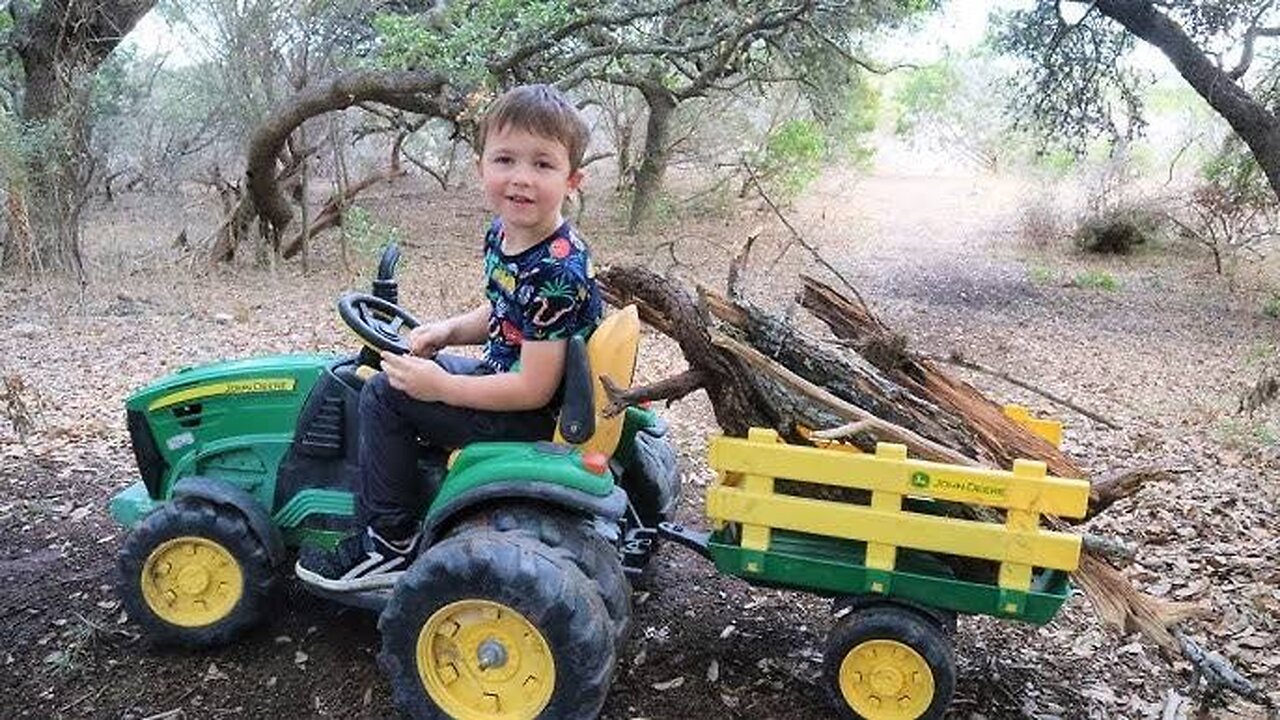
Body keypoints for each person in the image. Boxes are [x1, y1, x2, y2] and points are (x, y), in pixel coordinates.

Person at [296, 84, 603, 592]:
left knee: (382, 394)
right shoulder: (506, 236)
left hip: (529, 412)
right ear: (481, 165)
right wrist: (447, 331)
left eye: (543, 165)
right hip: (505, 383)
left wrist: (440, 387)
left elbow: (533, 388)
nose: (521, 178)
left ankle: (387, 542)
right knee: (398, 377)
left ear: (572, 180)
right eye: (505, 159)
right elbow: (507, 312)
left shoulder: (558, 268)